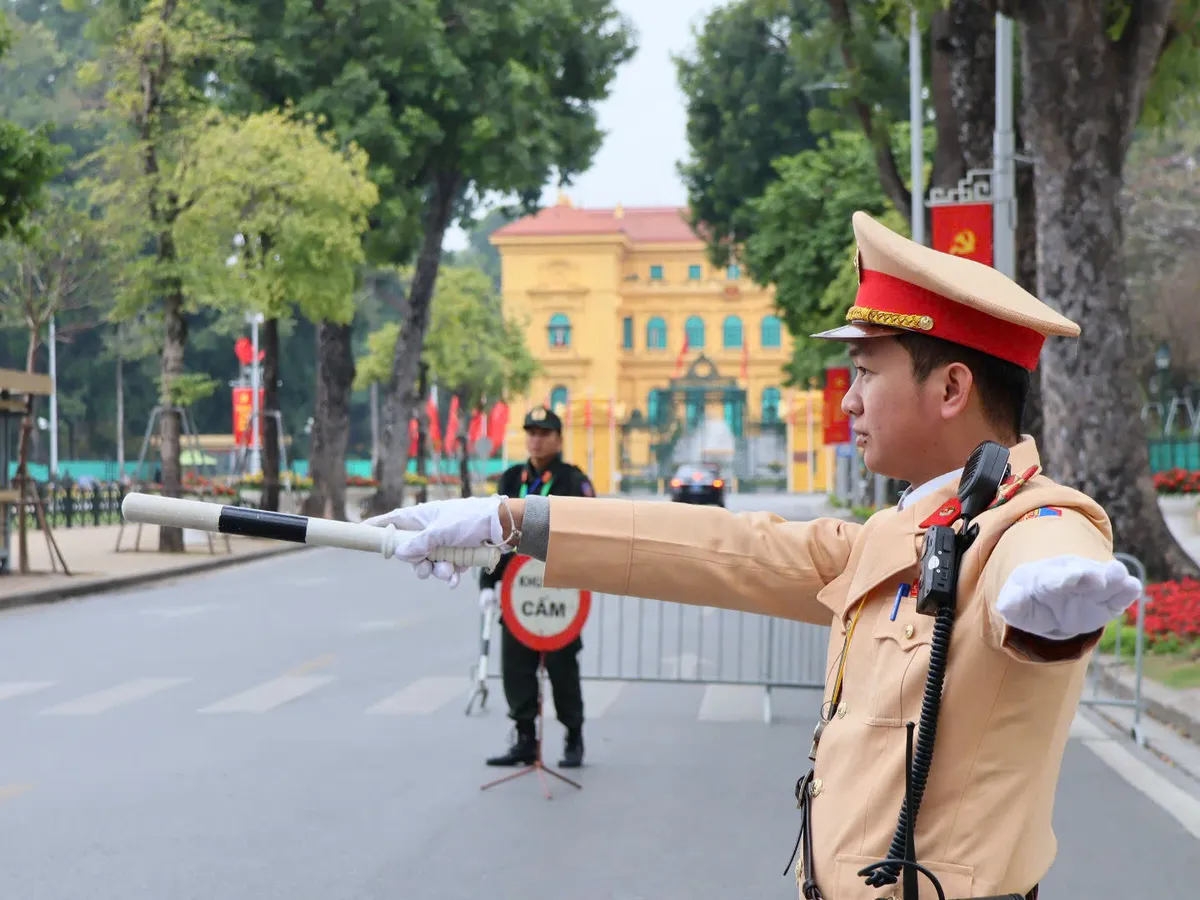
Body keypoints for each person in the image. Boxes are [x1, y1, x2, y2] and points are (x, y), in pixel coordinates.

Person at [366, 212, 1142, 900]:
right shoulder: (895, 533)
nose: (849, 399)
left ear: (950, 389)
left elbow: (1051, 538)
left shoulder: (1028, 525)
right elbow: (725, 547)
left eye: (866, 372)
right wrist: (509, 521)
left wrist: (1054, 590)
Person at [477, 405, 595, 770]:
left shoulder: (572, 481)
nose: (536, 440)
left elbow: (588, 534)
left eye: (544, 433)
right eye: (531, 433)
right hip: (519, 589)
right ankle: (525, 738)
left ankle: (573, 735)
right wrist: (487, 583)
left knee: (562, 666)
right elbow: (494, 534)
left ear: (559, 439)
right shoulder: (512, 479)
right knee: (516, 667)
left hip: (559, 587)